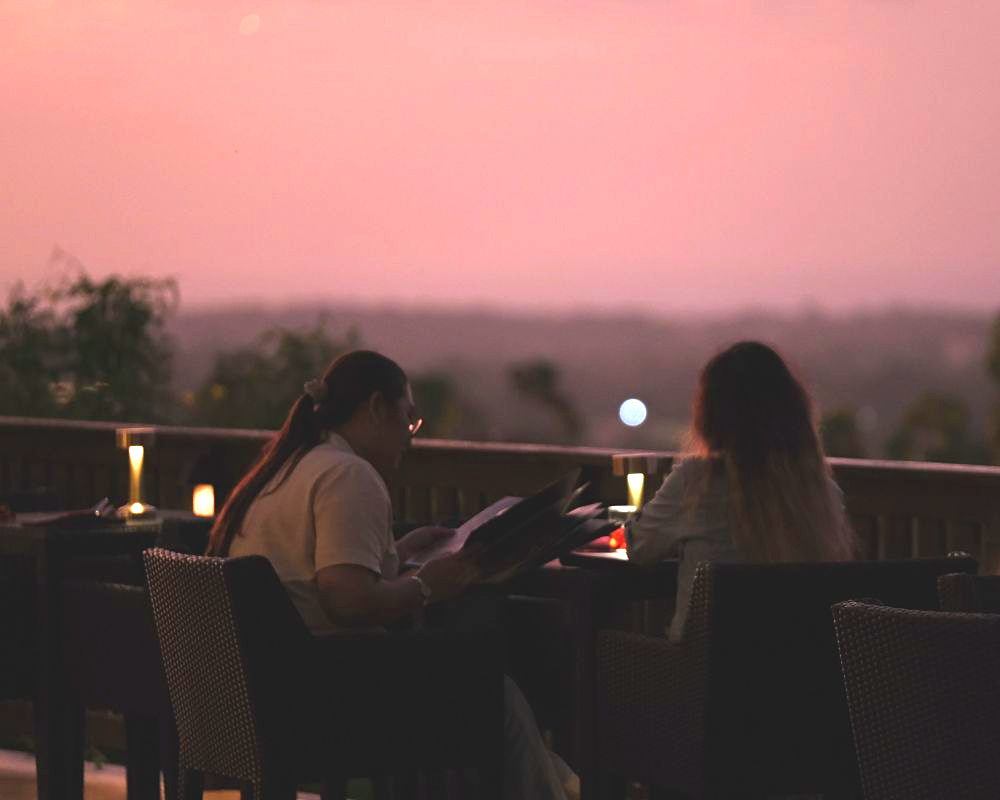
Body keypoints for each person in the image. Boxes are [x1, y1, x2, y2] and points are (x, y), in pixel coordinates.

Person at [206, 349, 572, 800]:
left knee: (489, 699)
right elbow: (347, 600)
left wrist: (398, 553)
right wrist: (426, 585)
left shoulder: (289, 466)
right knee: (497, 698)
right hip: (327, 699)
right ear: (377, 407)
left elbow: (314, 573)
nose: (411, 435)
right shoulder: (348, 476)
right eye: (408, 418)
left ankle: (553, 780)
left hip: (263, 692)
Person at [626, 341, 855, 641]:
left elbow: (639, 547)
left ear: (711, 413)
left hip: (703, 673)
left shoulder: (696, 482)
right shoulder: (823, 495)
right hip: (793, 672)